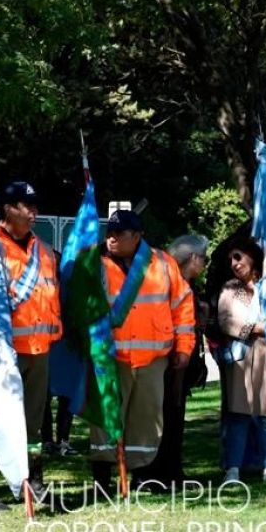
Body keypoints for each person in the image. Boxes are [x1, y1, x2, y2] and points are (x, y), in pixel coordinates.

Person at [0, 181, 62, 512]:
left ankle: (32, 480)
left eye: (35, 206)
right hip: (2, 351)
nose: (34, 212)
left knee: (33, 422)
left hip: (39, 348)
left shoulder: (45, 251)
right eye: (26, 206)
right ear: (8, 209)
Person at [89, 209, 195, 493]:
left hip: (152, 360)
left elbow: (183, 307)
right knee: (106, 419)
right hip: (109, 358)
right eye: (108, 232)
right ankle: (102, 478)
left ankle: (142, 475)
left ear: (137, 236)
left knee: (146, 420)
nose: (111, 238)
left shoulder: (163, 263)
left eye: (118, 234)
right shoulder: (94, 262)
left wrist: (184, 347)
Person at [136, 233, 209, 486]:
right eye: (204, 259)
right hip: (164, 361)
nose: (204, 264)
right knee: (158, 417)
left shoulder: (189, 287)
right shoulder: (166, 284)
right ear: (192, 258)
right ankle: (150, 472)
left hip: (182, 361)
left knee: (175, 417)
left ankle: (172, 469)